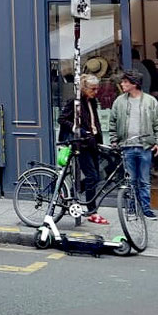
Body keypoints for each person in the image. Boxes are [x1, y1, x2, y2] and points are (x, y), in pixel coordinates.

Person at [108, 70, 158, 220]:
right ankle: (132, 208)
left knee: (144, 180)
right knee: (130, 180)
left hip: (145, 147)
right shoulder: (119, 101)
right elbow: (112, 122)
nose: (122, 84)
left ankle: (146, 209)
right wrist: (114, 140)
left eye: (125, 82)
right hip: (127, 146)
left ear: (134, 84)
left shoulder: (150, 101)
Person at [58, 74, 107, 225]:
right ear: (84, 88)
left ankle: (71, 195)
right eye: (93, 89)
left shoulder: (92, 101)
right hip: (81, 144)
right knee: (92, 176)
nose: (96, 91)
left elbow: (94, 121)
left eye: (97, 88)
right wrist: (77, 129)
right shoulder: (75, 101)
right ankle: (92, 211)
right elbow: (61, 119)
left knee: (97, 176)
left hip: (92, 143)